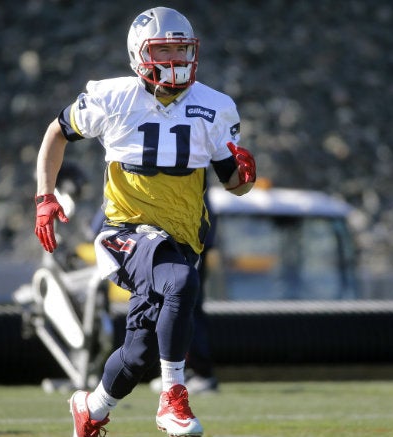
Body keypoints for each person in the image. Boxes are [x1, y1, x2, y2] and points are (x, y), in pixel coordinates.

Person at [33, 6, 256, 437]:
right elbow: (56, 132)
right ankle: (173, 397)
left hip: (181, 236)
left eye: (181, 49)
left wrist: (245, 175)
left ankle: (91, 408)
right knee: (181, 282)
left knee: (136, 356)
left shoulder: (214, 106)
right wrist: (44, 195)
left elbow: (235, 184)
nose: (175, 60)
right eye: (164, 49)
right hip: (125, 232)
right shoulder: (114, 98)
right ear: (139, 54)